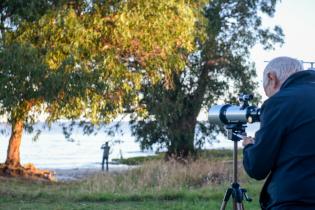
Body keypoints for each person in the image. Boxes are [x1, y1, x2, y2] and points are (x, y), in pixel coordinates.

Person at [243, 56, 315, 209]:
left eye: (266, 90)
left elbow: (257, 168)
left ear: (272, 78)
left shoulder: (279, 102)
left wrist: (249, 147)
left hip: (295, 201)